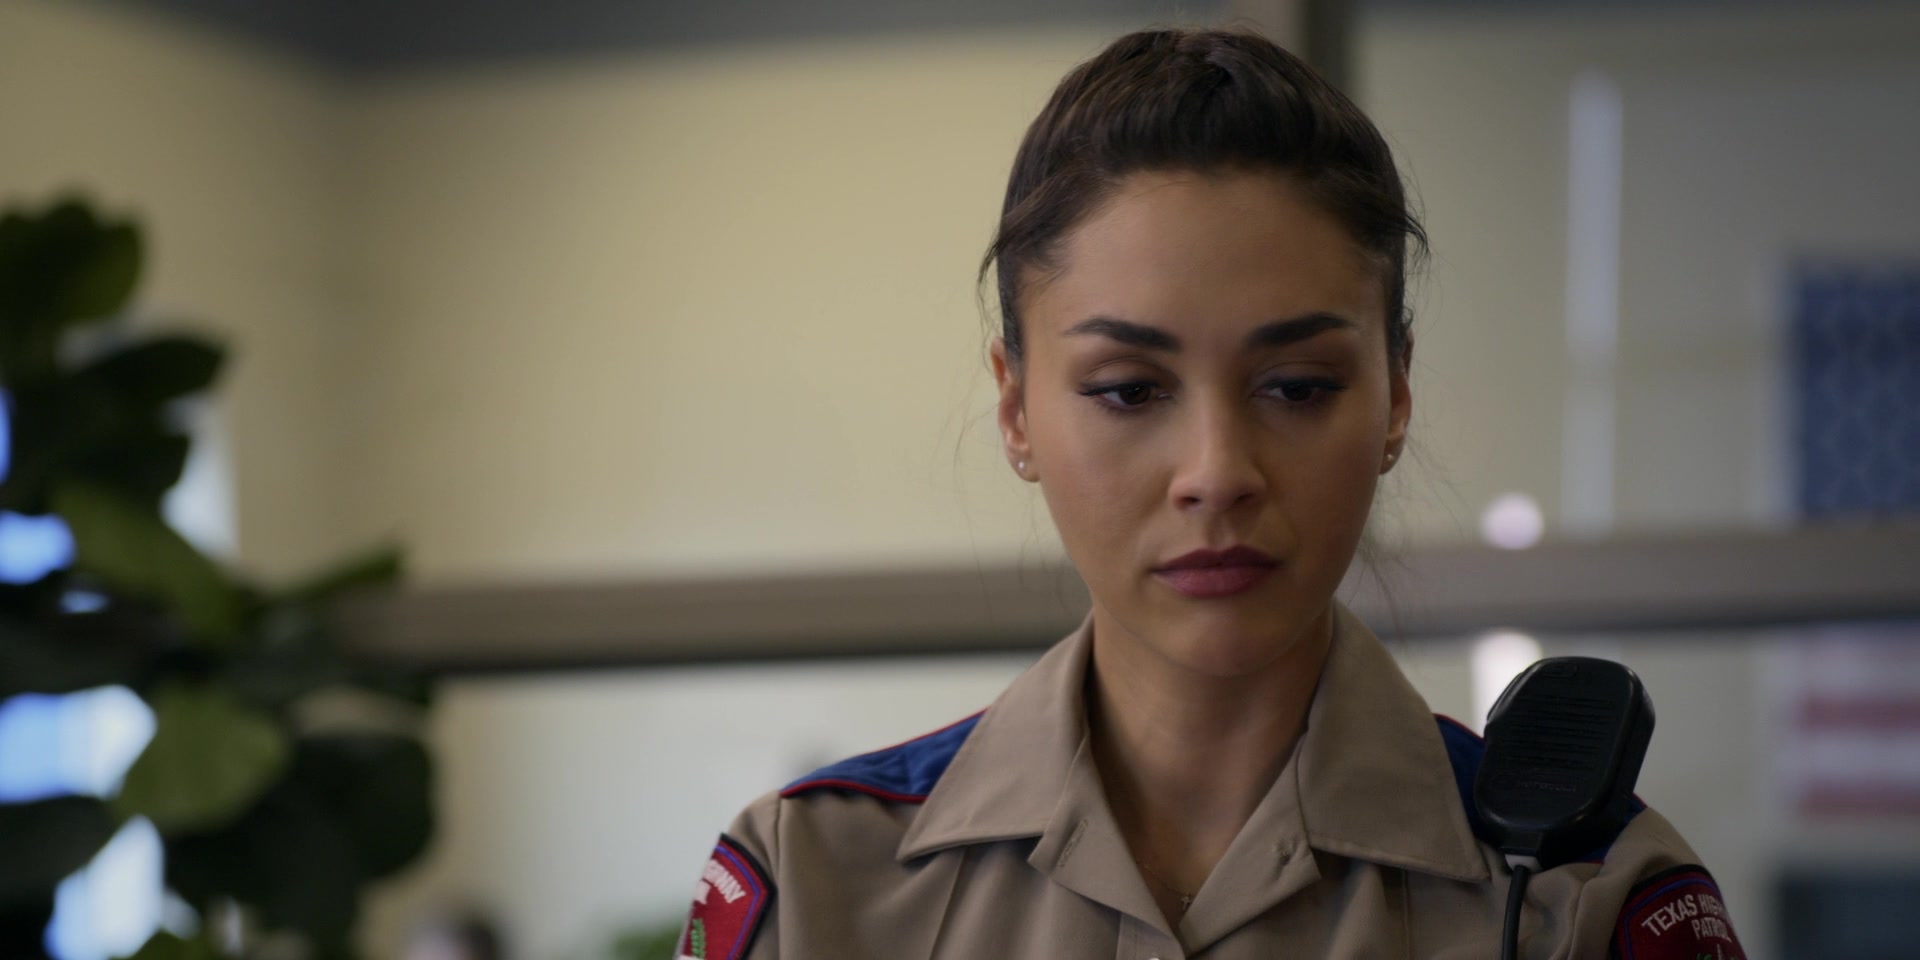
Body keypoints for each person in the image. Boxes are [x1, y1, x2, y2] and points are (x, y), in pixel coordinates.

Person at [675, 26, 1746, 960]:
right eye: (1128, 390)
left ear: (1396, 395)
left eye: (1298, 386)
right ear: (1015, 409)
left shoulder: (1580, 900)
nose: (1218, 472)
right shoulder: (815, 883)